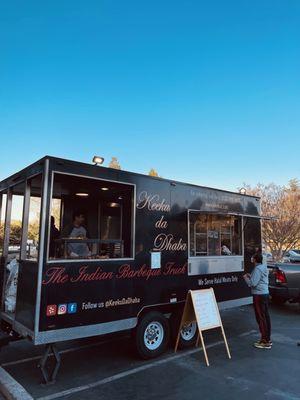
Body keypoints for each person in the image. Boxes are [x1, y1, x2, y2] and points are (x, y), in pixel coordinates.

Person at [243, 253, 272, 349]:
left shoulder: (257, 269)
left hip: (258, 295)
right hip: (264, 293)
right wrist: (251, 275)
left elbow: (253, 283)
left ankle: (264, 341)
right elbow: (259, 279)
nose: (251, 259)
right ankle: (267, 338)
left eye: (253, 258)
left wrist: (246, 278)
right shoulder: (263, 267)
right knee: (265, 316)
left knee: (260, 317)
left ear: (255, 260)